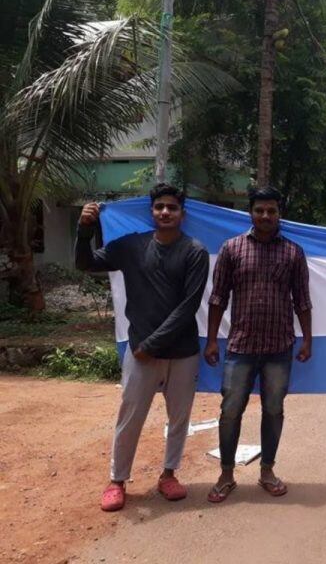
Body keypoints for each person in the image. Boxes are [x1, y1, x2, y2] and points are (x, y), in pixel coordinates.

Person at [76, 184, 209, 512]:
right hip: (141, 354)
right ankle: (117, 481)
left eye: (172, 208)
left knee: (179, 419)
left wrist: (152, 344)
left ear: (182, 213)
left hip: (181, 352)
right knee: (130, 417)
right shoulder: (132, 246)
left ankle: (168, 475)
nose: (165, 212)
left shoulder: (195, 251)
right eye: (159, 207)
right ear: (152, 212)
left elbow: (188, 306)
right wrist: (84, 230)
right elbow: (86, 263)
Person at [205, 186, 312, 503]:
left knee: (274, 410)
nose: (266, 216)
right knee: (230, 411)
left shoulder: (293, 252)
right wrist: (212, 340)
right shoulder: (232, 249)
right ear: (250, 213)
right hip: (240, 347)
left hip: (279, 348)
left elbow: (302, 301)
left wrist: (308, 339)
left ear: (279, 214)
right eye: (260, 210)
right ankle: (226, 474)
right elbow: (218, 298)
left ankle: (267, 470)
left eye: (272, 211)